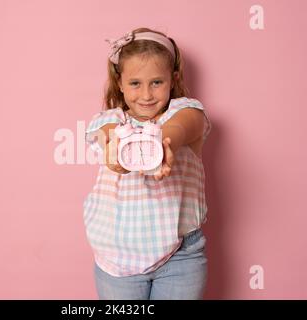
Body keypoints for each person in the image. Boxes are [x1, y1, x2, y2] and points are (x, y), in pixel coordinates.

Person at [83, 27, 212, 300]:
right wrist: (117, 152)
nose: (146, 94)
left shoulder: (187, 111)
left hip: (180, 256)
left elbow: (182, 127)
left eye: (156, 82)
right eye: (135, 84)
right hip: (116, 257)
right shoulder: (110, 120)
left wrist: (161, 145)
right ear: (120, 83)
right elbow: (106, 135)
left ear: (173, 79)